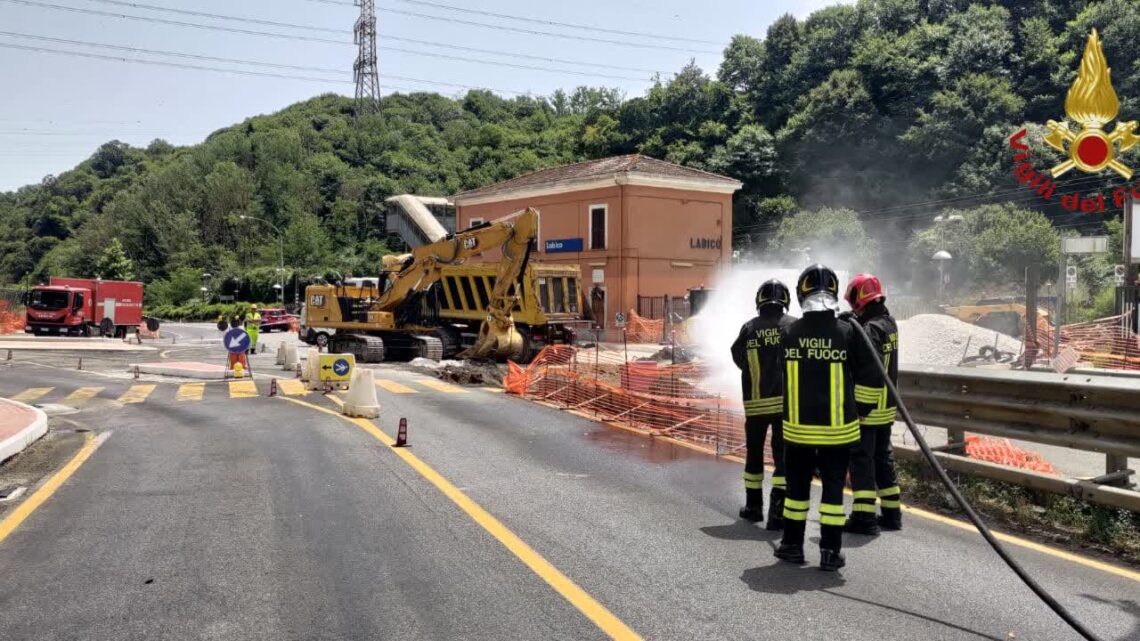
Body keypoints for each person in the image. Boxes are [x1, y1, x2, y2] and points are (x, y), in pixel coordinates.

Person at [775, 264, 876, 572]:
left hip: (798, 432)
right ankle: (831, 552)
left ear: (801, 293)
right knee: (833, 493)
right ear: (834, 292)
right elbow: (870, 377)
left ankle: (792, 545)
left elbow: (782, 370)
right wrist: (861, 411)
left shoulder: (788, 331)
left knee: (796, 492)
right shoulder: (848, 331)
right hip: (839, 433)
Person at [730, 279, 796, 528]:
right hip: (785, 406)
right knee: (783, 457)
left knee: (754, 455)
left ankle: (754, 507)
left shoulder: (749, 328)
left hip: (756, 405)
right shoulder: (792, 326)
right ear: (785, 300)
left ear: (759, 300)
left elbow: (737, 355)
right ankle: (778, 513)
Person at [844, 273, 903, 534]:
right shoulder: (888, 323)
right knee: (882, 458)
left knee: (862, 460)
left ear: (859, 298)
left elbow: (870, 372)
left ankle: (864, 517)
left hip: (869, 411)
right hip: (886, 408)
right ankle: (892, 514)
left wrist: (860, 410)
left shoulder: (869, 330)